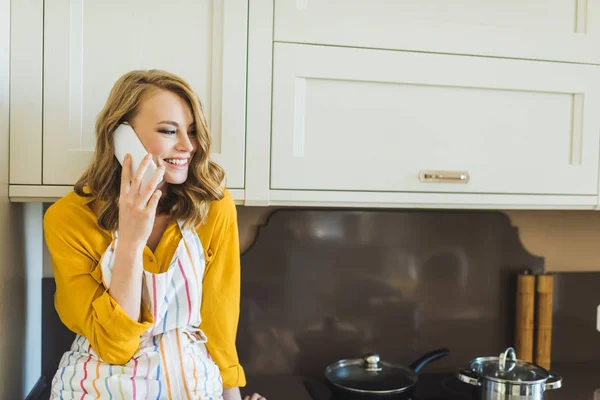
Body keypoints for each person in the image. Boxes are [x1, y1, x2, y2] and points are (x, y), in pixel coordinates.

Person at [43, 69, 265, 400]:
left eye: (191, 131)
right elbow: (114, 345)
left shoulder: (213, 209)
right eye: (168, 131)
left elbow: (219, 320)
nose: (187, 146)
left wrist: (232, 396)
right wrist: (131, 241)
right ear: (121, 136)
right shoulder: (69, 218)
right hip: (94, 386)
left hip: (192, 386)